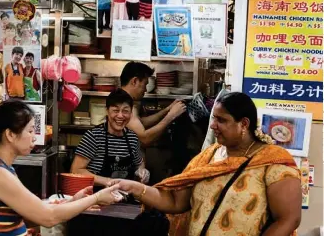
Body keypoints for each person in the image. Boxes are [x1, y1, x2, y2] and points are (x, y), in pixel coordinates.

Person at [109, 92, 302, 236]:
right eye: (213, 118)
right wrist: (136, 188)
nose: (212, 125)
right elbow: (176, 202)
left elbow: (288, 219)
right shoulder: (209, 156)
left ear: (243, 124)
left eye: (221, 120)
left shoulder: (272, 162)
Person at [0, 100, 121, 236]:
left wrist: (74, 202)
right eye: (30, 131)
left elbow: (31, 212)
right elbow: (48, 217)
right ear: (10, 135)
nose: (34, 137)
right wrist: (97, 197)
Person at [71, 89, 149, 187]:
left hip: (125, 198)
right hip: (97, 198)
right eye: (115, 110)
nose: (120, 116)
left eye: (125, 111)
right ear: (107, 111)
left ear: (131, 113)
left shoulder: (132, 138)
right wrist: (108, 182)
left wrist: (142, 172)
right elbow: (76, 170)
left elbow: (139, 164)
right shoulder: (93, 136)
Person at [120, 61, 186, 146]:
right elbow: (145, 139)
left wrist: (167, 109)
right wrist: (171, 116)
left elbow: (141, 122)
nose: (146, 90)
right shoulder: (123, 106)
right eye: (145, 84)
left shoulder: (124, 100)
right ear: (135, 81)